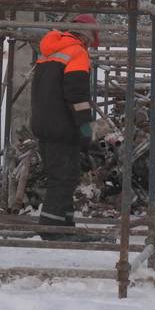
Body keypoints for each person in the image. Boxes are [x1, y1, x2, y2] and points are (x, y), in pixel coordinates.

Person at [31, 14, 99, 240]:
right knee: (63, 178)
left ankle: (65, 224)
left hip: (44, 125)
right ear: (87, 36)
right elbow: (77, 96)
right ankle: (52, 231)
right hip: (63, 128)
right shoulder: (77, 53)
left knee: (64, 176)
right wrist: (86, 129)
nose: (90, 46)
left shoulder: (48, 53)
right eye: (91, 41)